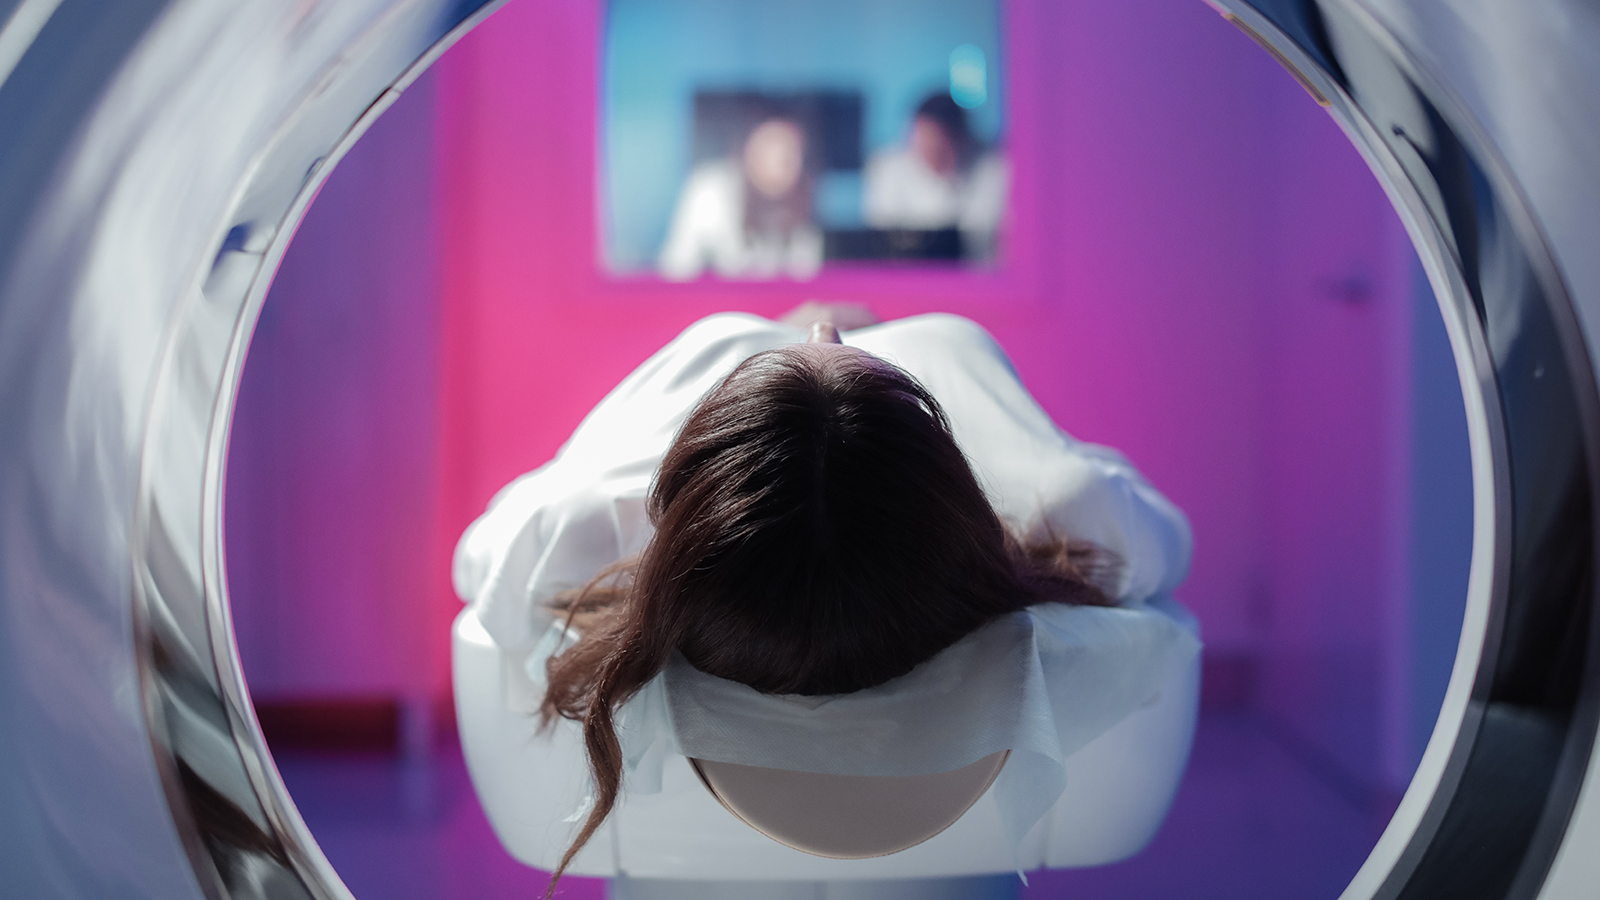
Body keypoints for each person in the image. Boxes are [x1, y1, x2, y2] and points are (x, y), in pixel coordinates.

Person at [453, 305, 1194, 896]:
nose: (822, 326)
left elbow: (477, 565)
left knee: (722, 335)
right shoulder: (1070, 508)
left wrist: (611, 506)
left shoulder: (584, 525)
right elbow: (1173, 546)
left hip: (712, 423)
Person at [657, 116, 823, 280]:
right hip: (715, 304)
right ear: (747, 151)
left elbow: (804, 277)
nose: (776, 163)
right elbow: (676, 268)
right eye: (767, 151)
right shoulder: (711, 188)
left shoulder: (803, 204)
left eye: (787, 157)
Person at [862, 93, 1009, 262]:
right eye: (923, 141)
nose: (929, 152)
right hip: (912, 281)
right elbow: (883, 242)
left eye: (939, 145)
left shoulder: (996, 169)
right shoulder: (888, 169)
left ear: (961, 138)